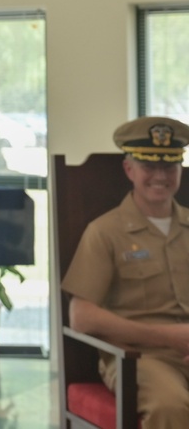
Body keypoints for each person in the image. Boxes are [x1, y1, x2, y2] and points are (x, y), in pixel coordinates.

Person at [62, 115, 189, 429]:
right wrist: (171, 338)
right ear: (129, 169)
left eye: (169, 166)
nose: (160, 176)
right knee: (169, 407)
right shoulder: (105, 232)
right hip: (139, 358)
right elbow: (82, 316)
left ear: (180, 171)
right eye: (149, 166)